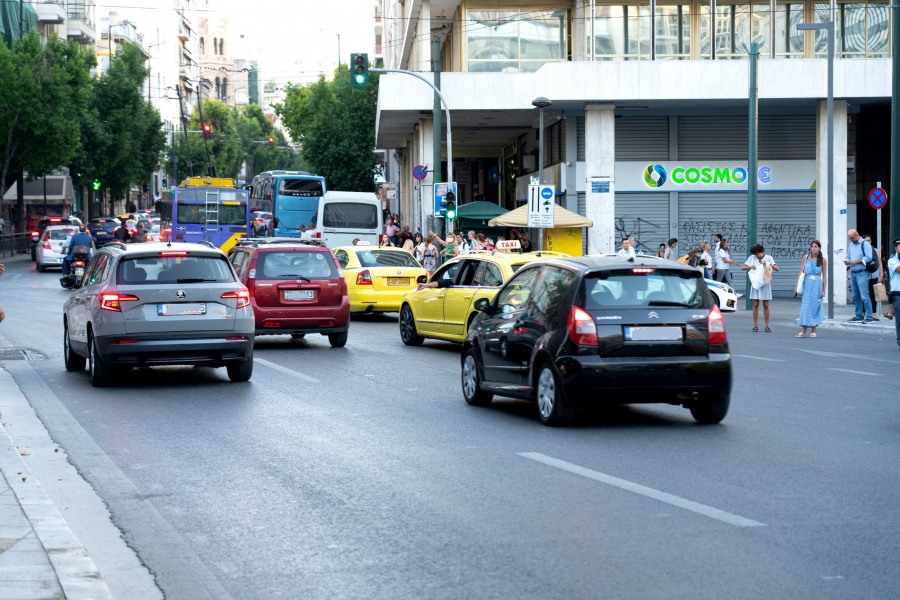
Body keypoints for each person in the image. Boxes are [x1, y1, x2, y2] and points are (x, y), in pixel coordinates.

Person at [742, 243, 779, 332]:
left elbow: (777, 268)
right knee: (755, 304)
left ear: (761, 252)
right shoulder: (752, 258)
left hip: (765, 283)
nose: (756, 255)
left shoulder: (768, 257)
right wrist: (750, 266)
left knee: (766, 305)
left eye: (757, 253)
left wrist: (768, 264)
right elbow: (743, 267)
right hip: (756, 284)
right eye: (754, 254)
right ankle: (755, 325)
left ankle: (766, 325)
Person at [796, 240, 827, 338]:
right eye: (812, 246)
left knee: (815, 306)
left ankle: (814, 330)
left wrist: (824, 290)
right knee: (805, 307)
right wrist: (797, 285)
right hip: (807, 283)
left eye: (816, 246)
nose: (814, 248)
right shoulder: (805, 258)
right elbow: (801, 271)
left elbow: (824, 275)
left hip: (817, 284)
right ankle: (803, 330)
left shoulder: (822, 260)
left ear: (819, 248)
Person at [845, 229, 875, 323]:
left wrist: (856, 261)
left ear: (857, 235)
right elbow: (849, 256)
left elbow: (869, 257)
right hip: (853, 272)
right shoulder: (851, 245)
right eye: (850, 238)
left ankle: (869, 316)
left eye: (852, 238)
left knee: (864, 296)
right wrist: (847, 260)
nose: (851, 240)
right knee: (855, 296)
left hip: (862, 272)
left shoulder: (865, 244)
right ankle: (858, 315)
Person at [863, 234, 883, 321]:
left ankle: (874, 313)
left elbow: (880, 263)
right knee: (864, 294)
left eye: (869, 240)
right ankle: (864, 312)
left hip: (874, 275)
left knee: (873, 294)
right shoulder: (861, 251)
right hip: (864, 275)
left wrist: (881, 275)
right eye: (866, 240)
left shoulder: (875, 250)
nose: (868, 242)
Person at [887, 237, 900, 350]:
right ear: (896, 248)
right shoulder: (892, 260)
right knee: (899, 320)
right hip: (898, 294)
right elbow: (898, 269)